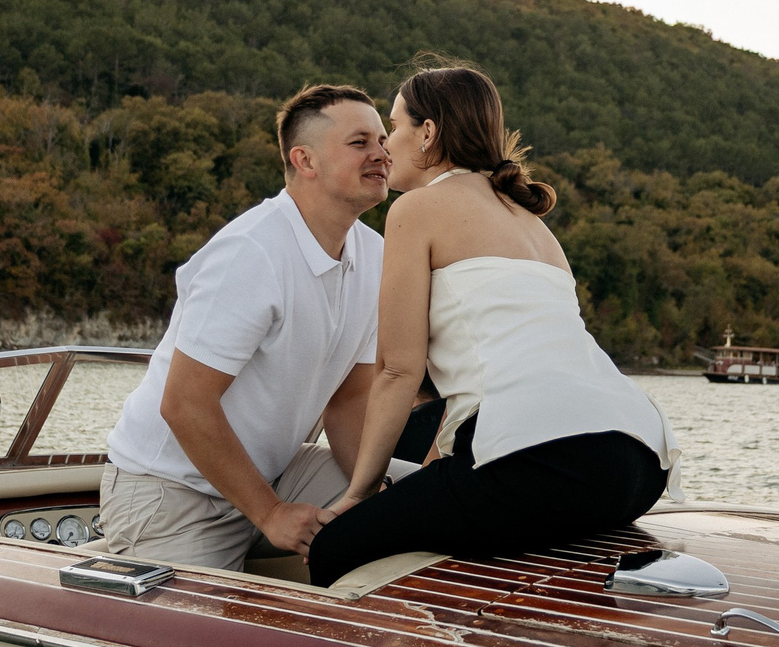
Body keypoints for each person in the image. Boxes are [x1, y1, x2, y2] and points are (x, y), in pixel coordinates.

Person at [307, 62, 676, 587]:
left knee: (332, 550)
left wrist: (359, 494)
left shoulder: (416, 209)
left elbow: (397, 370)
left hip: (544, 461)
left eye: (394, 127)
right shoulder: (533, 223)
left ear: (428, 132)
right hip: (639, 461)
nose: (386, 145)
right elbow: (490, 387)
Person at [99, 83, 410, 571]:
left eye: (382, 141)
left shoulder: (375, 257)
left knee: (428, 507)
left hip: (277, 476)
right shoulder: (251, 252)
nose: (381, 154)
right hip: (172, 493)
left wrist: (371, 495)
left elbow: (349, 401)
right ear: (304, 160)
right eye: (359, 143)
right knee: (204, 626)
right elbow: (184, 404)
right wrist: (271, 514)